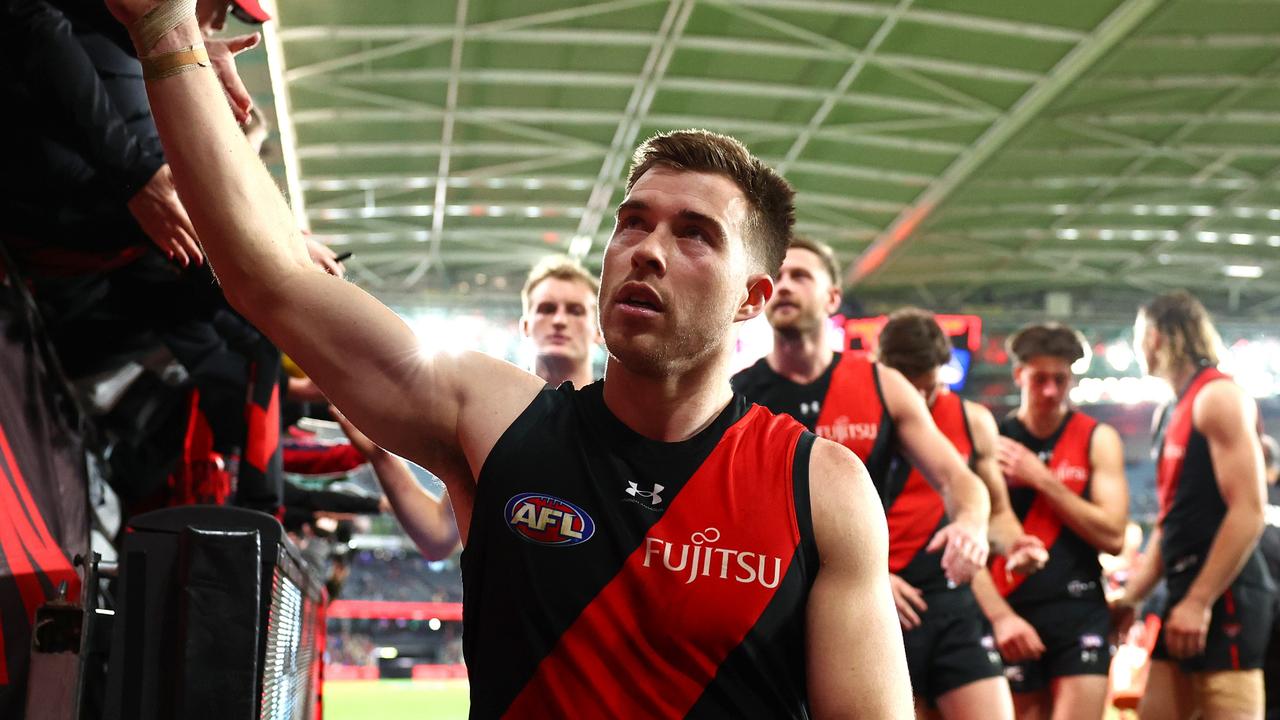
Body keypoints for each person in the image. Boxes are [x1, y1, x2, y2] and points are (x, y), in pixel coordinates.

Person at [103, 1, 917, 711]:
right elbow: (271, 279)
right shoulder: (493, 417)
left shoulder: (822, 487)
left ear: (751, 298)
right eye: (634, 222)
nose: (647, 250)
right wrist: (164, 30)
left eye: (694, 235)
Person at [732, 236, 992, 586]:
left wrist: (970, 525)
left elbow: (958, 479)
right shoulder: (737, 393)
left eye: (801, 276)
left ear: (833, 298)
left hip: (859, 587)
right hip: (767, 585)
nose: (786, 286)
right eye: (778, 277)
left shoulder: (882, 384)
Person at [875, 308, 1044, 720]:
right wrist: (870, 578)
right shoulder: (855, 421)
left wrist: (1016, 544)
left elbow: (997, 511)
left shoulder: (972, 420)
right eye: (910, 391)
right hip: (881, 606)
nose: (922, 402)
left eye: (930, 388)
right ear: (881, 373)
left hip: (952, 601)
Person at [1115, 291, 1272, 720]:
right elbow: (1170, 524)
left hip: (1226, 594)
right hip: (1183, 591)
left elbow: (1249, 510)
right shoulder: (1169, 412)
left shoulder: (1217, 397)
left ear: (1156, 337)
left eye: (1138, 336)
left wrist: (1200, 601)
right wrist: (1132, 598)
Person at [964, 323, 1128, 720]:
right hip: (1012, 606)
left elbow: (1114, 536)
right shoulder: (994, 440)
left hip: (1080, 606)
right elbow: (968, 535)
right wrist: (998, 616)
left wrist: (1041, 479)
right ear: (1019, 375)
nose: (1051, 391)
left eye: (1061, 379)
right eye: (1040, 379)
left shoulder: (1096, 438)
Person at [520, 255, 600, 389]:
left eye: (575, 311)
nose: (559, 321)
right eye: (547, 309)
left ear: (599, 331)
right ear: (525, 326)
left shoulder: (622, 409)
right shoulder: (494, 406)